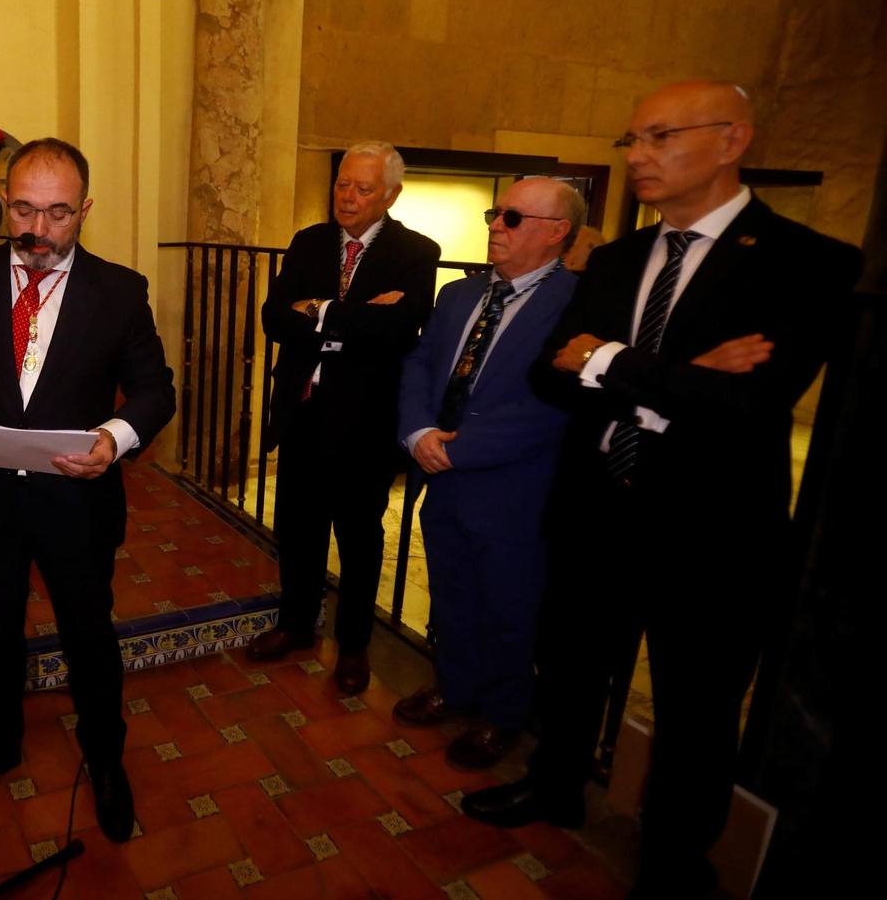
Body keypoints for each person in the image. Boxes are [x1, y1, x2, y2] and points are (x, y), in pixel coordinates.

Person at [462, 82, 864, 900]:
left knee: (697, 706)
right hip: (596, 506)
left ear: (730, 140)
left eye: (659, 136)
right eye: (632, 139)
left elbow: (752, 398)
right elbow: (550, 376)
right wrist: (679, 377)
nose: (637, 156)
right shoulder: (612, 260)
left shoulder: (807, 261)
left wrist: (607, 361)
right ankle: (556, 784)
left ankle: (677, 855)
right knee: (572, 666)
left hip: (710, 529)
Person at [0, 137, 175, 842]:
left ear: (84, 211)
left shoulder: (121, 290)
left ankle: (105, 759)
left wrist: (113, 438)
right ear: (4, 203)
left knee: (88, 636)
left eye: (56, 214)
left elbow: (153, 390)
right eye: (23, 210)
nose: (37, 231)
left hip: (74, 503)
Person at [393, 177, 584, 771]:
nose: (496, 226)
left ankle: (501, 715)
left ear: (557, 233)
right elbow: (420, 364)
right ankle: (456, 686)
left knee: (509, 605)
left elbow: (559, 403)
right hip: (441, 473)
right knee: (451, 591)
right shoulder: (459, 294)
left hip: (513, 487)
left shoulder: (578, 304)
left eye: (513, 218)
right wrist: (420, 432)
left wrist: (461, 448)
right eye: (496, 214)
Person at [245, 142, 440, 694]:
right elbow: (274, 318)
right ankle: (296, 625)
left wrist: (319, 310)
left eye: (363, 188)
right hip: (304, 410)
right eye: (342, 185)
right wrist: (350, 316)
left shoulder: (416, 252)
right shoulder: (308, 242)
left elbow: (396, 330)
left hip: (366, 421)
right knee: (298, 528)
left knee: (358, 537)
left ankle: (354, 646)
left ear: (392, 195)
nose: (348, 197)